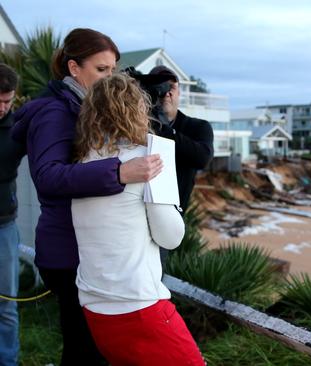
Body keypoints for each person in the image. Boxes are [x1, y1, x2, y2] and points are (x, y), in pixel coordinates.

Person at [11, 28, 162, 365]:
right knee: (87, 351)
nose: (110, 78)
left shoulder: (82, 107)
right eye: (101, 70)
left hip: (81, 249)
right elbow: (48, 177)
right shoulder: (56, 112)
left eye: (114, 70)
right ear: (74, 68)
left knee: (89, 349)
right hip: (68, 252)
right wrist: (119, 172)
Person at [72, 73, 204, 365]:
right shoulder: (148, 159)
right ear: (137, 109)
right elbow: (171, 237)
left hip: (95, 309)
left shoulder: (82, 163)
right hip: (138, 306)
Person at [148, 65, 214, 212]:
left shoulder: (198, 127)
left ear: (179, 93)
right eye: (160, 87)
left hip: (175, 216)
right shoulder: (135, 125)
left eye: (171, 87)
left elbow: (203, 158)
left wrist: (162, 128)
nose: (166, 93)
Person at [0, 63, 24, 366]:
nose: (3, 107)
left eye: (8, 101)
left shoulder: (19, 126)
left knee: (6, 304)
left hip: (4, 225)